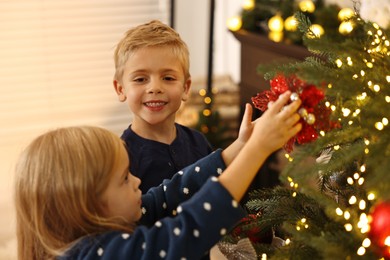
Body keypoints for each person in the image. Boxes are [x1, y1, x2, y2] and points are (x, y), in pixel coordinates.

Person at [14, 91, 302, 259]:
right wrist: (258, 151)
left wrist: (240, 147)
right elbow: (189, 230)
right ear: (89, 205)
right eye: (125, 178)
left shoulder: (99, 224)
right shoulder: (101, 254)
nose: (137, 180)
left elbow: (171, 193)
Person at [112, 20, 213, 193]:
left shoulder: (198, 143)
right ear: (121, 89)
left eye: (168, 78)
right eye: (140, 79)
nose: (155, 88)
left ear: (185, 88)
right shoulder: (121, 160)